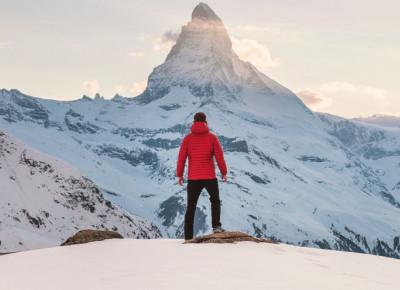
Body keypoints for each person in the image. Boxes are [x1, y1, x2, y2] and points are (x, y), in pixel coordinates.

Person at [176, 112, 228, 241]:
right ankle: (216, 226)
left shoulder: (187, 139)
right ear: (205, 122)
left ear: (194, 122)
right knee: (215, 201)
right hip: (210, 177)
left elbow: (181, 158)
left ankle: (188, 236)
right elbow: (219, 157)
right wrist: (224, 172)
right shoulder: (212, 138)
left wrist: (180, 175)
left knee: (191, 206)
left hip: (193, 178)